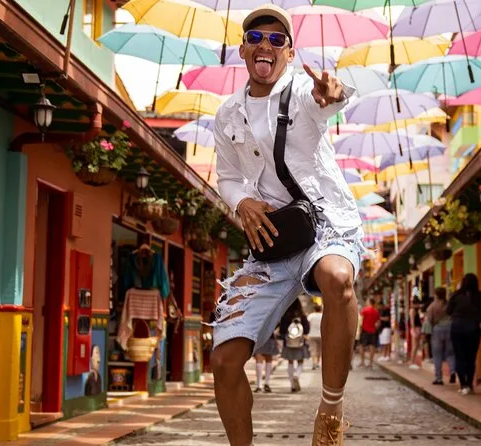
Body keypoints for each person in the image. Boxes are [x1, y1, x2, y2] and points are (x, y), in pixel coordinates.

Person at [210, 5, 364, 445]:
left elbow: (327, 98)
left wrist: (331, 93)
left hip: (325, 227)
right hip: (273, 241)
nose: (266, 45)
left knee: (337, 277)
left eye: (277, 39)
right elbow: (227, 177)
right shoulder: (227, 114)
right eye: (256, 37)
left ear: (290, 53)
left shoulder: (300, 93)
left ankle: (330, 411)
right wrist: (242, 202)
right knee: (223, 361)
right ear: (243, 49)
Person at [446, 273, 481, 395]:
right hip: (473, 329)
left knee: (459, 356)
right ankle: (469, 384)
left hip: (457, 328)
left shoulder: (456, 295)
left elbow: (448, 311)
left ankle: (463, 385)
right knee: (471, 357)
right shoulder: (479, 296)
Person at [426, 287, 456, 385]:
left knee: (437, 354)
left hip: (437, 330)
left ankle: (439, 378)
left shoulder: (432, 306)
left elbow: (429, 319)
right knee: (450, 353)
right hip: (450, 328)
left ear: (436, 295)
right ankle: (452, 372)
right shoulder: (448, 304)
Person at [280, 299, 310, 392]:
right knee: (300, 361)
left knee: (290, 362)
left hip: (288, 342)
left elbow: (282, 330)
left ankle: (292, 385)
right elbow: (307, 329)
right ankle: (297, 374)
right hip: (300, 342)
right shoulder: (302, 316)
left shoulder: (285, 315)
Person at [254, 328, 279, 393]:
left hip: (258, 336)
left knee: (259, 359)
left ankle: (259, 385)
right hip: (269, 336)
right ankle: (267, 383)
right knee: (268, 359)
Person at [358, 298, 380, 368]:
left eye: (367, 301)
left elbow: (361, 321)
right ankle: (370, 363)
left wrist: (360, 330)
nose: (366, 302)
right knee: (372, 346)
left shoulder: (364, 310)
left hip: (364, 330)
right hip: (373, 331)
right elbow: (378, 323)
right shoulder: (376, 311)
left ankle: (362, 362)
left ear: (369, 302)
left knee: (361, 346)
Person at [408, 296, 423, 369]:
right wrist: (414, 330)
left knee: (416, 346)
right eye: (417, 304)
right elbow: (412, 321)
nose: (418, 305)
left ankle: (412, 361)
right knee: (415, 345)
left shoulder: (415, 310)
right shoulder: (412, 310)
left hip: (417, 328)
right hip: (416, 328)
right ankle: (412, 362)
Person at [308, 304, 323, 370]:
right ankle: (318, 362)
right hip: (321, 335)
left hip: (312, 334)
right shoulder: (323, 315)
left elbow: (308, 324)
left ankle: (314, 362)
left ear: (314, 309)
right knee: (320, 349)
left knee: (313, 349)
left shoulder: (311, 316)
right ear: (321, 309)